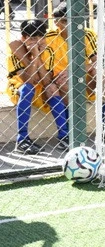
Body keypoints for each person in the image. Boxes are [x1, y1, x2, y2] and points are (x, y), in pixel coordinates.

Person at [8, 19, 54, 154]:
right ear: (23, 38)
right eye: (33, 38)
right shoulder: (14, 54)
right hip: (18, 86)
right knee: (28, 89)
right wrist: (35, 56)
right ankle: (22, 139)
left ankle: (64, 135)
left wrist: (38, 56)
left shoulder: (48, 51)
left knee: (53, 88)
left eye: (41, 37)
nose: (39, 41)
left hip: (39, 87)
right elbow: (28, 80)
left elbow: (46, 81)